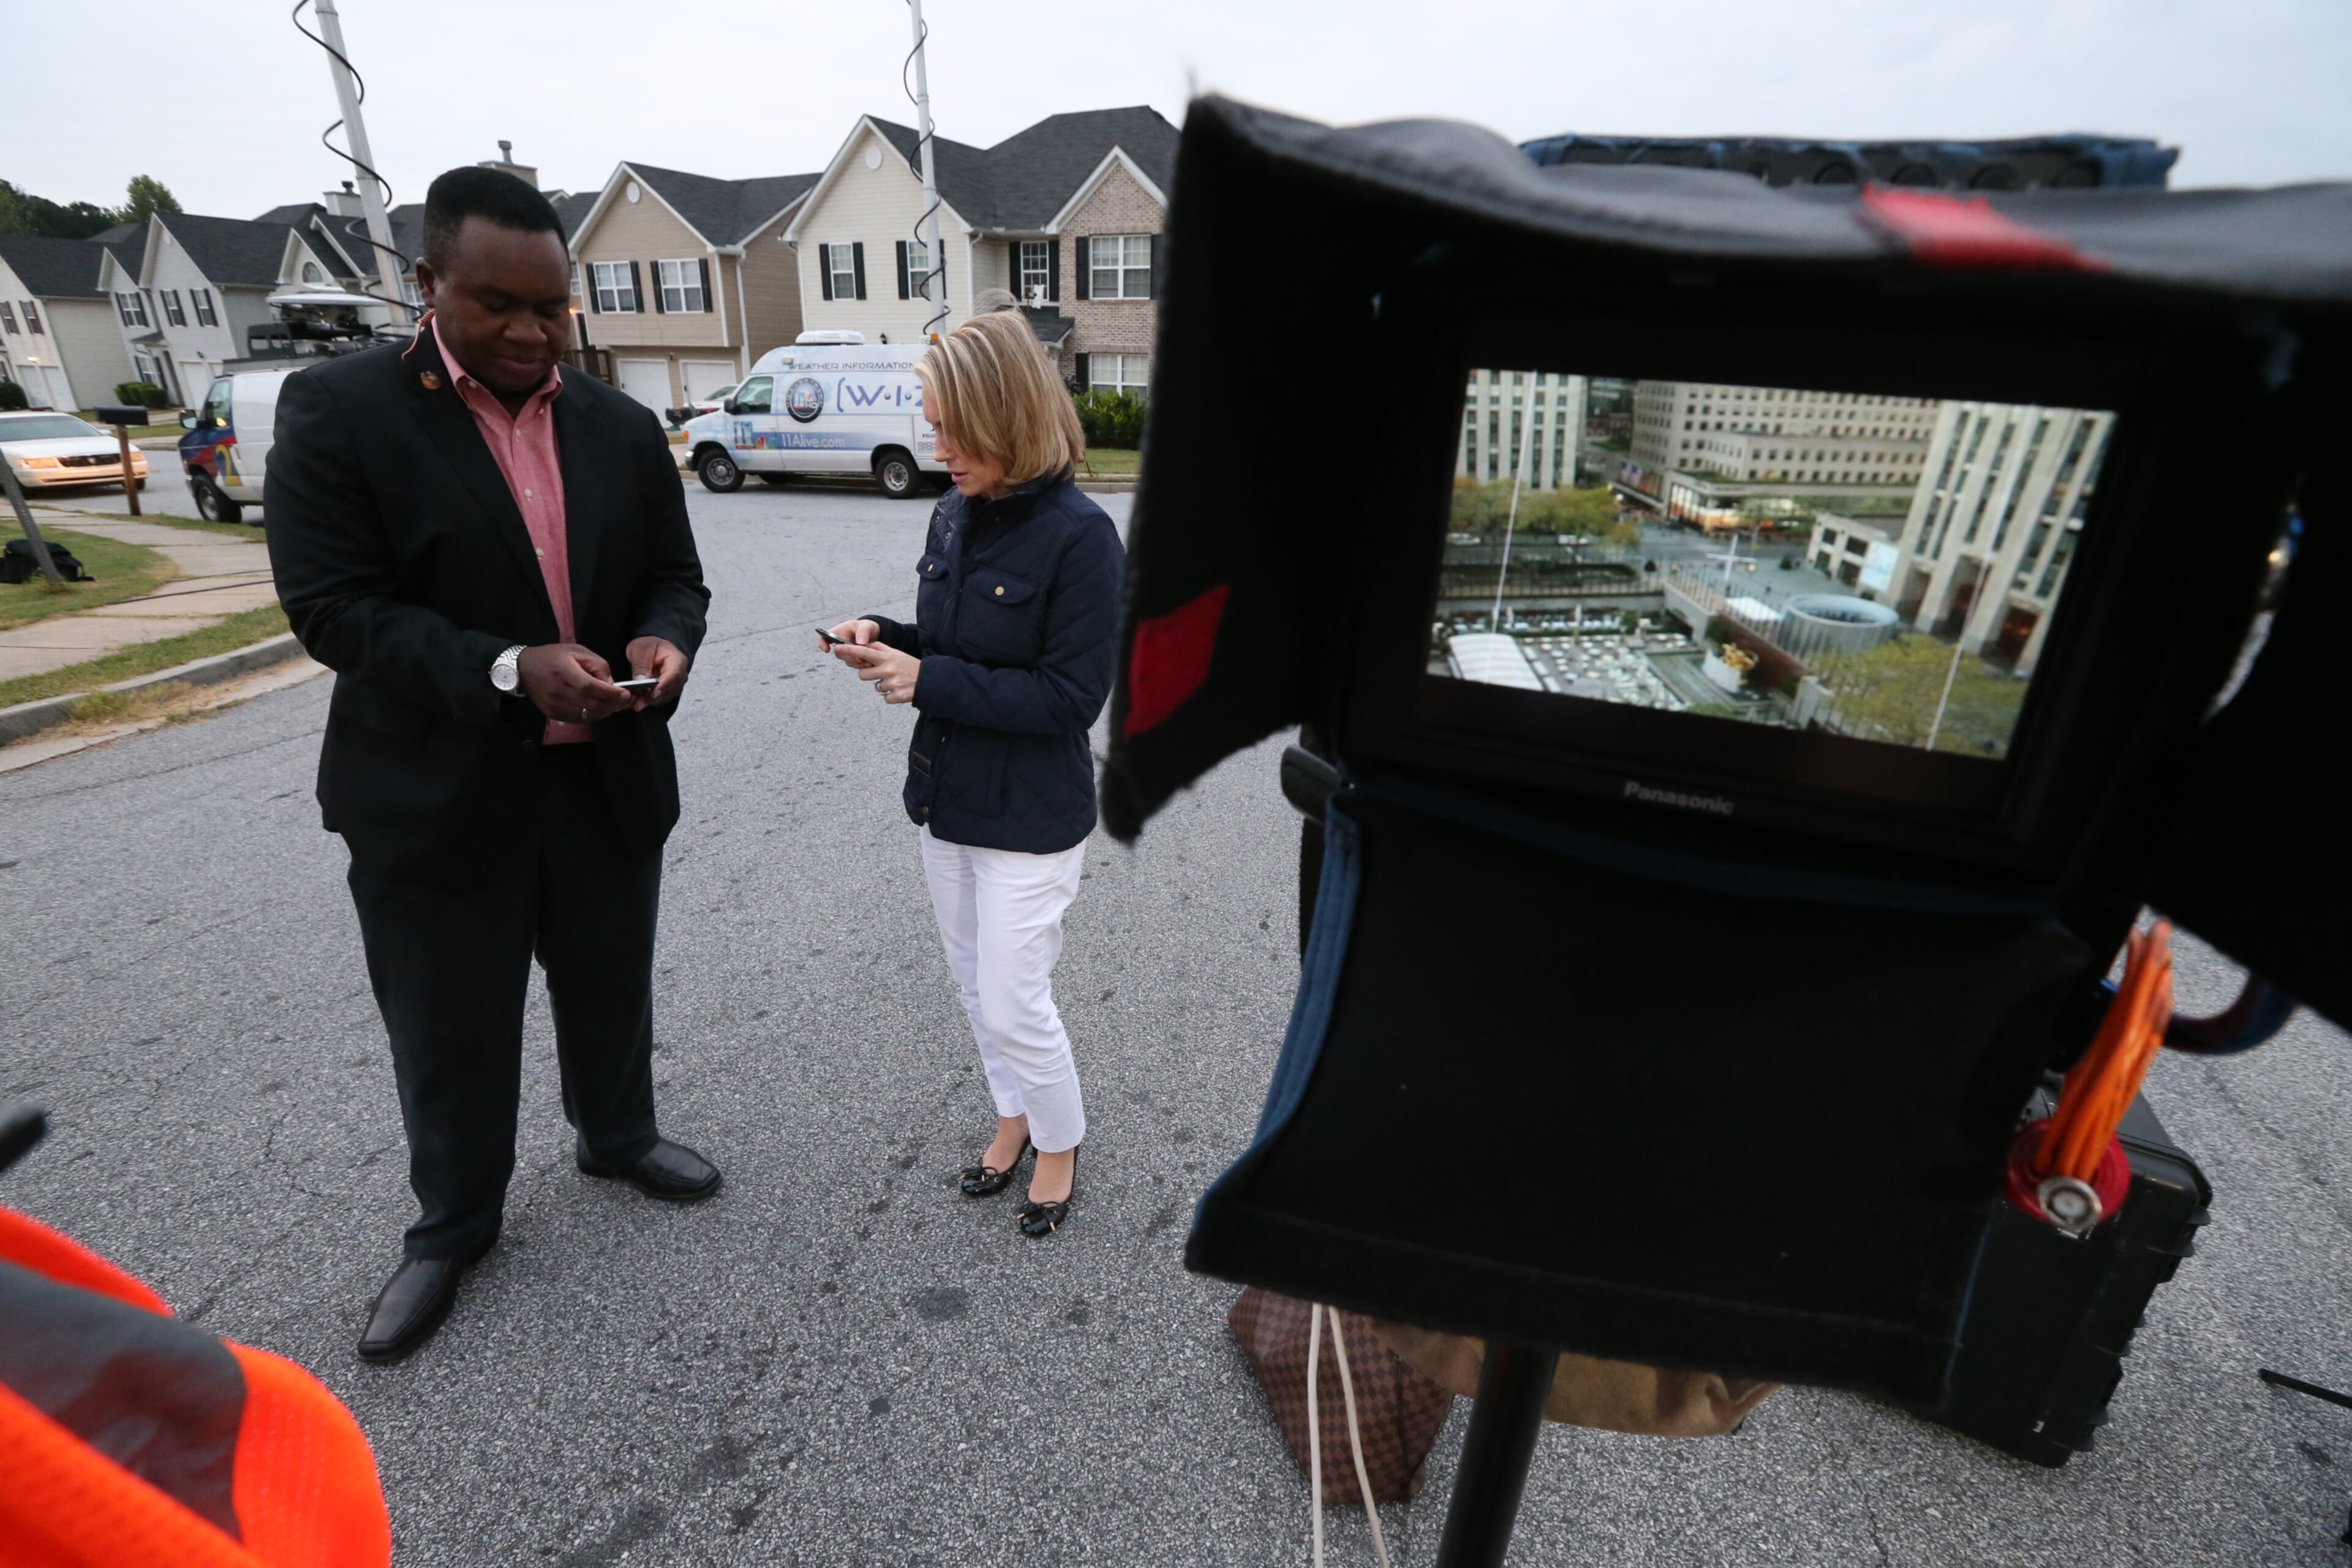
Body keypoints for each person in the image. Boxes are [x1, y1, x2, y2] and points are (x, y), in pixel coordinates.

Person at [265, 167, 718, 1363]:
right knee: (450, 1026)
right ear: (428, 283)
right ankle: (454, 1225)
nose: (529, 331)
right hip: (435, 792)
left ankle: (616, 1136)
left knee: (610, 983)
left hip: (603, 778)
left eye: (550, 307)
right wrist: (510, 666)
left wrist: (666, 639)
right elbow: (333, 610)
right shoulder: (341, 410)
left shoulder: (619, 426)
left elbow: (674, 576)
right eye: (497, 304)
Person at [825, 303, 1123, 1237]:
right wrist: (887, 633)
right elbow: (957, 643)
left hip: (1030, 819)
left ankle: (1060, 1142)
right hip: (947, 797)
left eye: (955, 428)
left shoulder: (1081, 536)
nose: (938, 446)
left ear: (1009, 416)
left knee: (1013, 996)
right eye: (933, 424)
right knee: (972, 983)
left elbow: (1069, 698)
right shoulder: (955, 512)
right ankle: (1013, 1116)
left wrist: (928, 680)